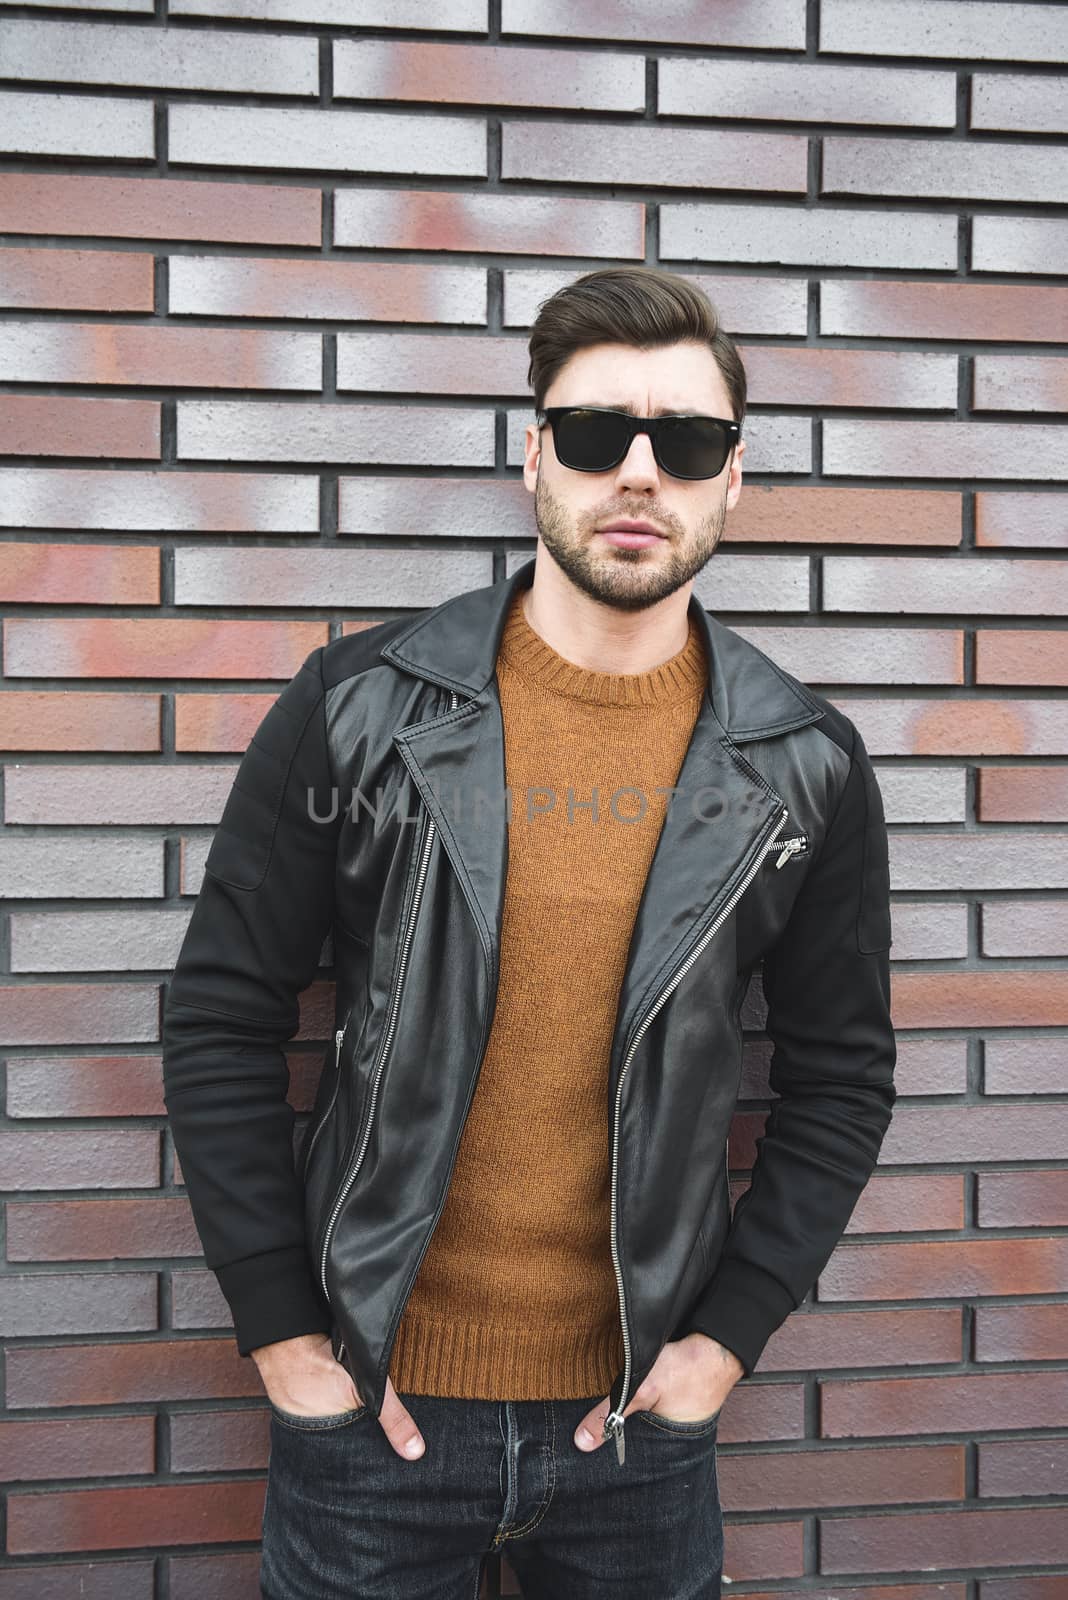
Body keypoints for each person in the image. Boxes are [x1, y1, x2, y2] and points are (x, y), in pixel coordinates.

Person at [162, 265, 897, 1600]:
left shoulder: (807, 764)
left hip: (638, 1441)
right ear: (532, 457)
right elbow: (221, 1016)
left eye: (684, 442)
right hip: (368, 1420)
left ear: (733, 478)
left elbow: (841, 1080)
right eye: (592, 433)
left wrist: (720, 1351)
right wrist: (283, 1335)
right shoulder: (359, 707)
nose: (637, 473)